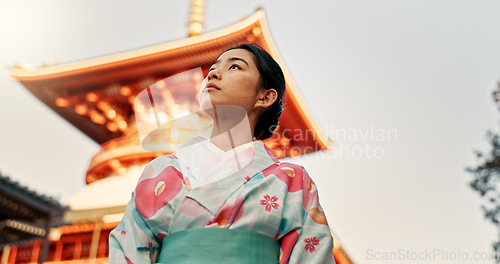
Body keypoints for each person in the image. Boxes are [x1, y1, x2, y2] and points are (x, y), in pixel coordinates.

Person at [109, 43, 336, 264]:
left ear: (265, 97)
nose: (213, 74)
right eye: (213, 68)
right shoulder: (159, 171)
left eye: (235, 66)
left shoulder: (292, 180)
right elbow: (127, 249)